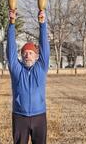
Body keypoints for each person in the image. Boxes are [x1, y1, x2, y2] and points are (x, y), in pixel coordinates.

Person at [6, 8, 50, 144]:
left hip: (39, 116)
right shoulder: (16, 68)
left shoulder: (41, 67)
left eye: (31, 52)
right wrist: (12, 24)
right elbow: (11, 50)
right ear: (21, 55)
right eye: (25, 53)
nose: (27, 55)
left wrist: (42, 24)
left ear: (36, 56)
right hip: (20, 117)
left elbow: (45, 48)